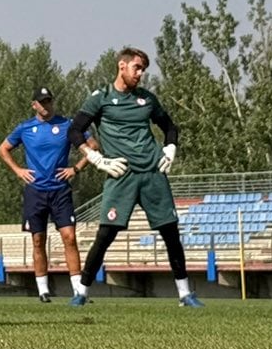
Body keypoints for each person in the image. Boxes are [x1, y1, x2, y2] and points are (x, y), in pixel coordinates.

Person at [69, 49, 200, 308]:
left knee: (171, 233)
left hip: (152, 173)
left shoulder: (147, 99)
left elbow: (170, 127)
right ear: (122, 66)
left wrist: (170, 148)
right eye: (137, 68)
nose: (140, 74)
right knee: (105, 235)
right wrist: (96, 159)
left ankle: (185, 295)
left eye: (143, 70)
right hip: (121, 175)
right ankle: (81, 293)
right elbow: (74, 131)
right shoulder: (100, 98)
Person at [0, 88, 88, 302]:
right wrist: (18, 170)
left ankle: (79, 290)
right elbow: (3, 149)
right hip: (35, 192)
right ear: (34, 105)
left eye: (49, 101)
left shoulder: (67, 125)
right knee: (38, 240)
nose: (46, 105)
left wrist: (76, 168)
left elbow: (92, 147)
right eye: (42, 102)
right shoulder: (25, 128)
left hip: (60, 191)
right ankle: (43, 290)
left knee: (69, 237)